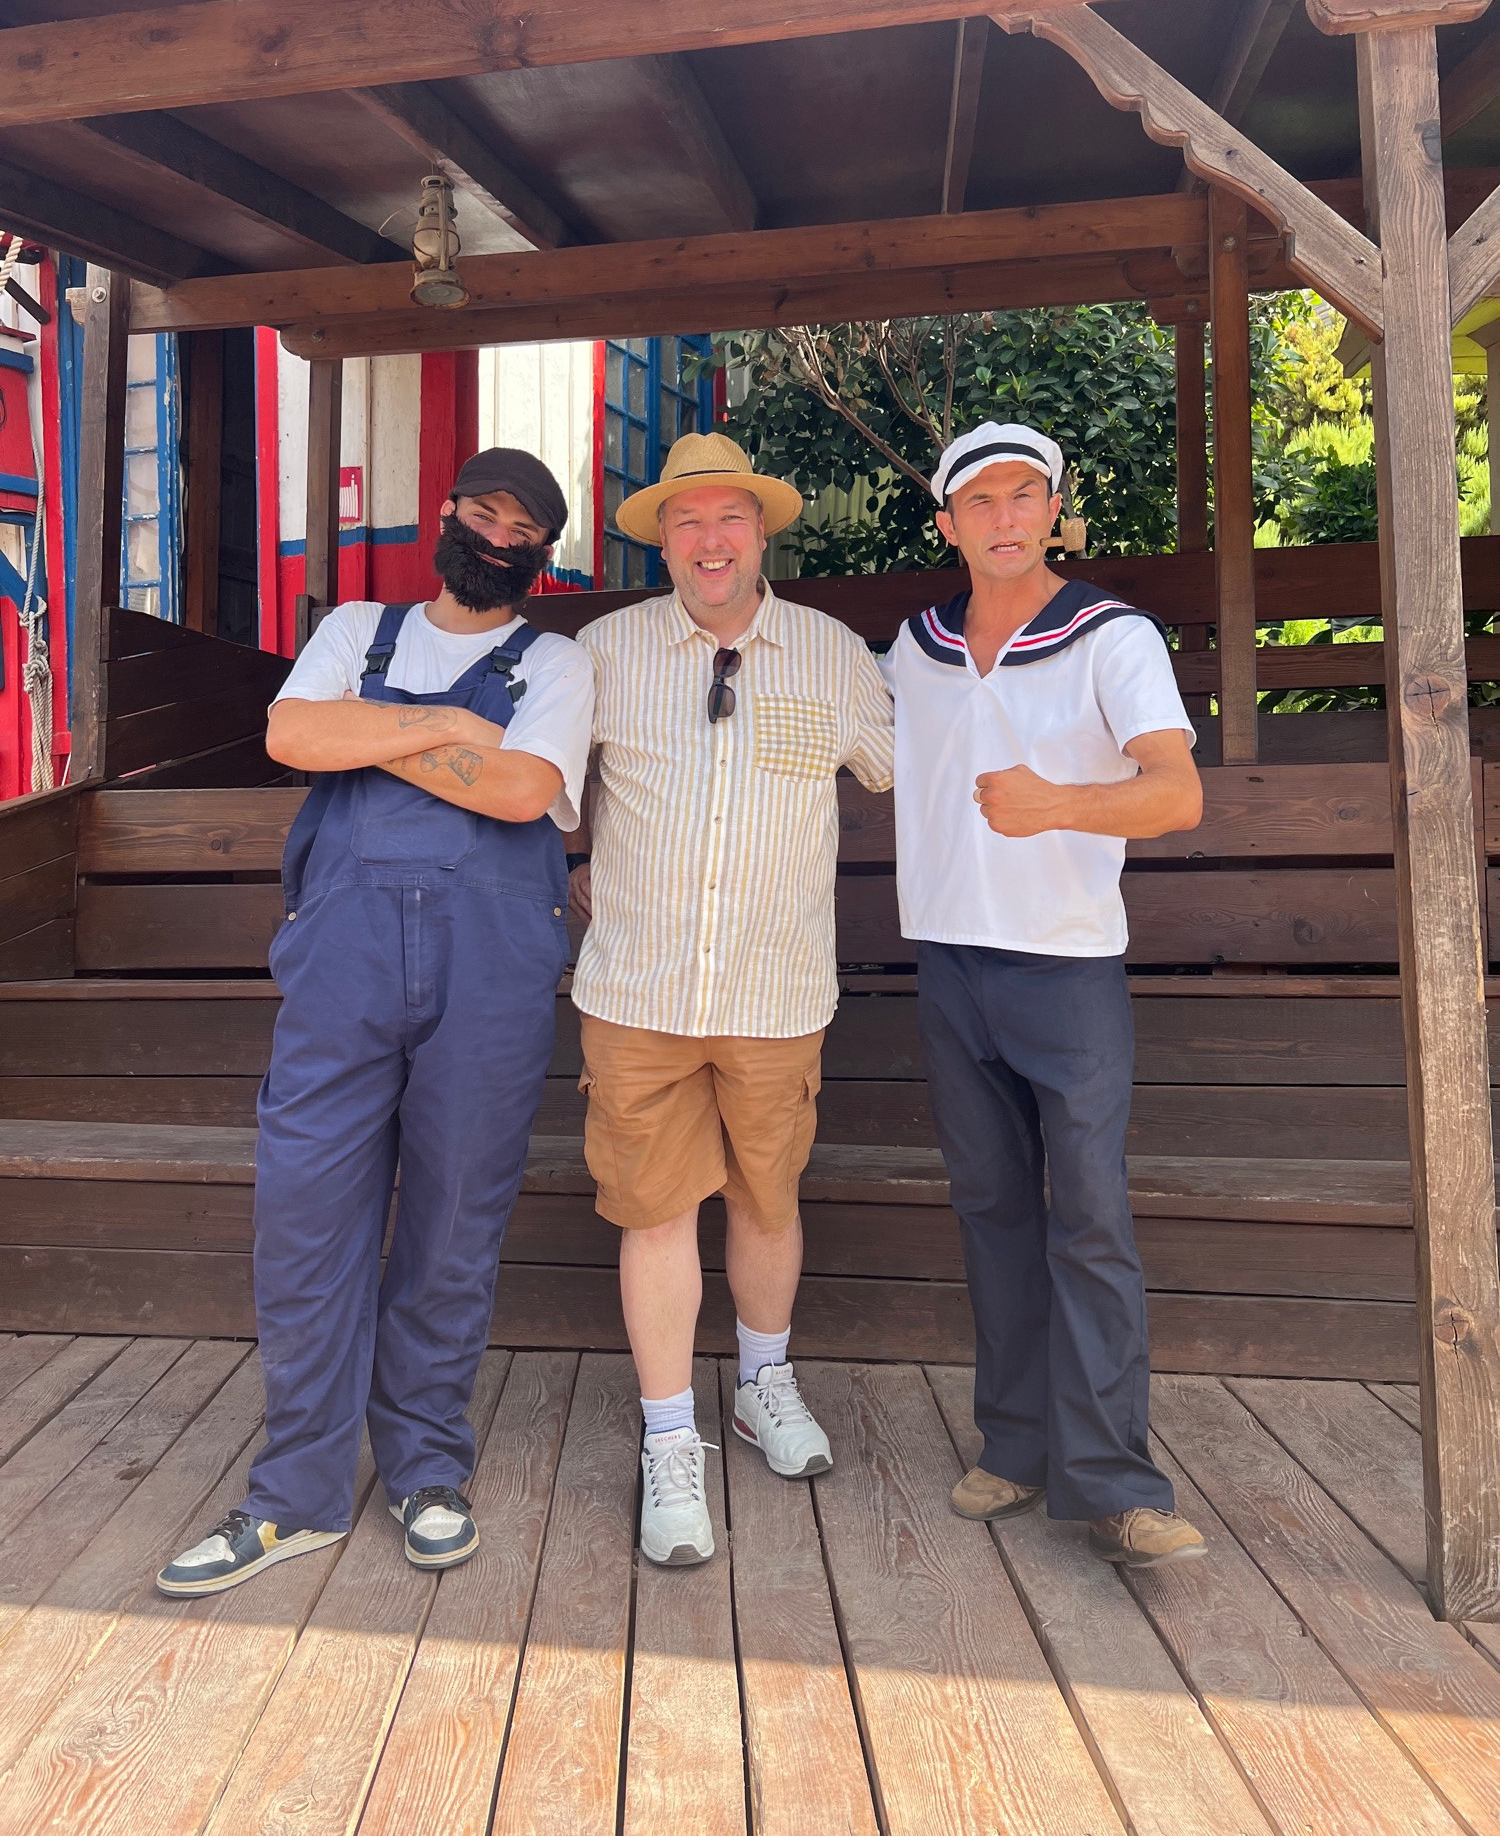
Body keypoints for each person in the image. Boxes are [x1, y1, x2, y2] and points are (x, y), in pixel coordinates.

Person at [157, 448, 594, 1596]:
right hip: (342, 966)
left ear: (542, 554)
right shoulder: (357, 625)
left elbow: (521, 791)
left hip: (490, 972)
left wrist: (381, 733)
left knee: (453, 1223)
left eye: (524, 527)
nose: (499, 536)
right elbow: (292, 738)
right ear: (446, 518)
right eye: (484, 512)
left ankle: (425, 1469)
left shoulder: (559, 658)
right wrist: (451, 724)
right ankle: (294, 1492)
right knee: (304, 1218)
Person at [883, 420, 1208, 1568]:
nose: (1007, 516)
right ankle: (1015, 1444)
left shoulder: (1110, 635)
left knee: (1091, 1220)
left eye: (1027, 494)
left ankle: (1117, 1481)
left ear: (1054, 509)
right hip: (948, 964)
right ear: (948, 521)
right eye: (983, 499)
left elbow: (1177, 796)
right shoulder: (911, 649)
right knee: (993, 1215)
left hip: (1066, 962)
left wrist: (1059, 803)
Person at [568, 431, 893, 1568]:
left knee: (766, 1197)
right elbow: (547, 781)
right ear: (663, 539)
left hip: (777, 988)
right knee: (655, 1210)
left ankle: (763, 1385)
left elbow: (918, 766)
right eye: (686, 521)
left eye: (730, 519)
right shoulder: (602, 651)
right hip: (637, 989)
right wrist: (571, 865)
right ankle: (670, 1440)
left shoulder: (835, 653)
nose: (710, 540)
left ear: (762, 532)